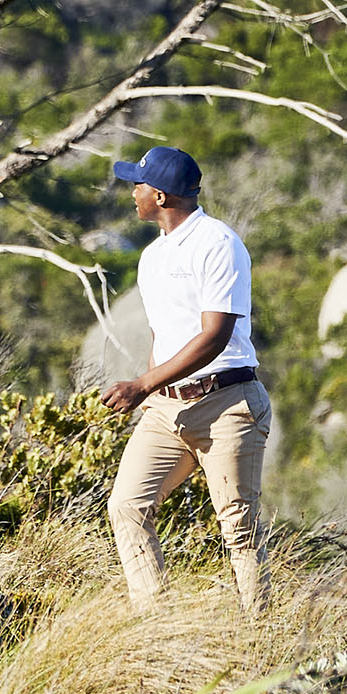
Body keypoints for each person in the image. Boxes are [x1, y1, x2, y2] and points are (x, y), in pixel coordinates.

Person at [98, 145, 271, 615]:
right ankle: (156, 625)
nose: (132, 192)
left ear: (159, 195)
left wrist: (141, 383)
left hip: (227, 403)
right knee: (127, 506)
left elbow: (215, 335)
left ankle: (258, 636)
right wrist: (151, 396)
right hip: (165, 409)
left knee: (239, 528)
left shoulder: (218, 243)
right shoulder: (152, 257)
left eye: (137, 185)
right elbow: (164, 334)